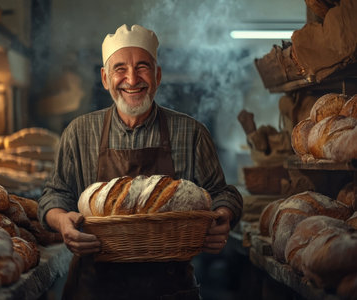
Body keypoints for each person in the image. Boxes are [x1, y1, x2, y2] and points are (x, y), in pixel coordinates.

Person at [38, 24, 243, 300]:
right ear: (105, 78)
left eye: (142, 67)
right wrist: (62, 221)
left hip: (170, 288)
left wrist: (223, 217)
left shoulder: (191, 132)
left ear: (157, 75)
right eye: (120, 68)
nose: (132, 79)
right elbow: (54, 195)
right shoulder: (79, 131)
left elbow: (221, 194)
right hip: (95, 287)